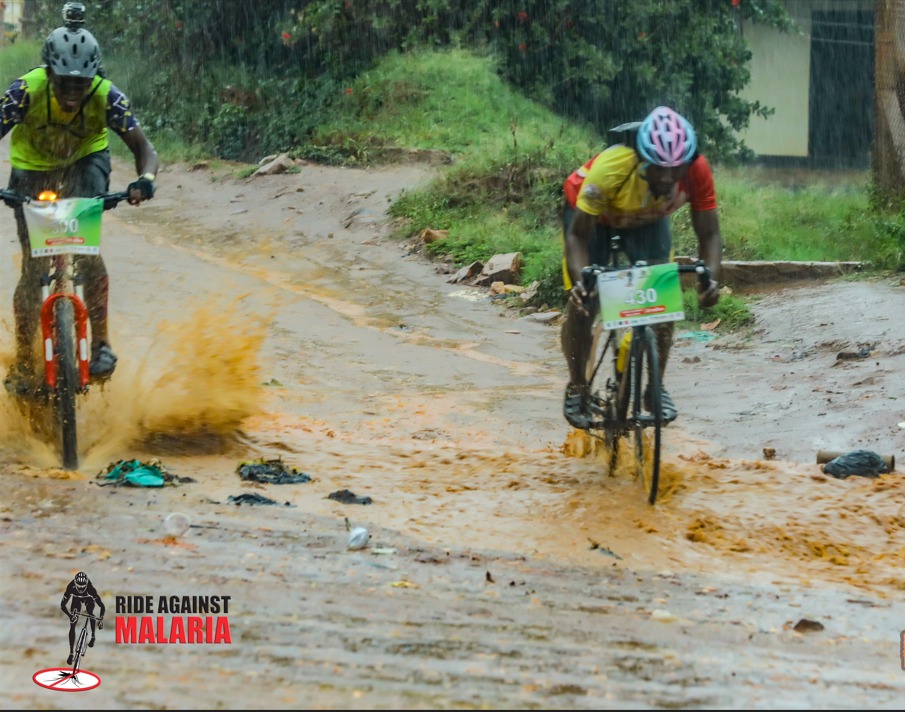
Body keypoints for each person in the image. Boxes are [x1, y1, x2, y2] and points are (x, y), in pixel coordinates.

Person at [0, 21, 158, 393]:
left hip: (86, 163)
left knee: (86, 253)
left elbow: (144, 149)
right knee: (33, 264)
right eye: (63, 82)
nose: (72, 92)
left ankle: (101, 344)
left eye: (80, 84)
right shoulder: (24, 91)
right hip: (31, 170)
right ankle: (25, 361)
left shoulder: (108, 96)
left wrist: (144, 181)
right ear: (49, 74)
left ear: (93, 78)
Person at [560, 106, 722, 429]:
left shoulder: (696, 170)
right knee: (585, 302)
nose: (665, 176)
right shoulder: (614, 166)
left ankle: (654, 387)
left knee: (662, 297)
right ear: (641, 158)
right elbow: (578, 236)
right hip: (595, 221)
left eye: (674, 170)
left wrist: (710, 281)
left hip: (647, 221)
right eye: (657, 168)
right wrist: (582, 284)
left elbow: (710, 233)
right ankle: (578, 386)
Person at [60, 570, 105, 665]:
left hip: (88, 598)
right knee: (72, 624)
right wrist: (70, 615)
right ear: (75, 584)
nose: (80, 589)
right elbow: (63, 605)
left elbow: (101, 606)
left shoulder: (90, 589)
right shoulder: (70, 587)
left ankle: (93, 636)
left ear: (86, 584)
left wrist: (101, 619)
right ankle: (71, 653)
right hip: (76, 599)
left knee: (90, 613)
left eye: (82, 587)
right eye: (79, 587)